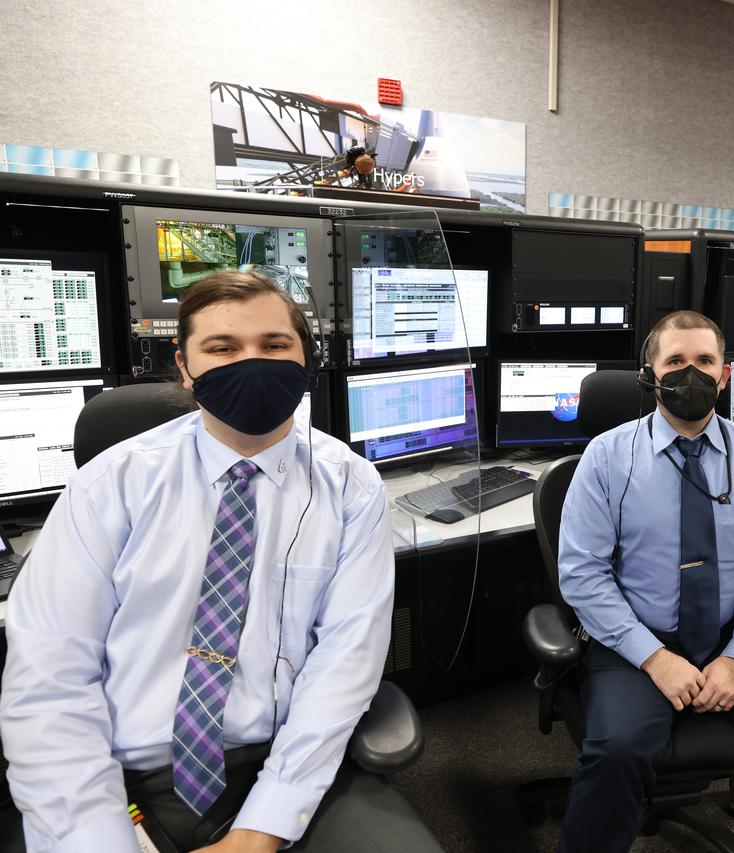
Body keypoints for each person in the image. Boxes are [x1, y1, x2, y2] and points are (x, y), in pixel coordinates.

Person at [0, 271, 440, 853]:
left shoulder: (349, 485)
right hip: (127, 777)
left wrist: (262, 828)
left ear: (306, 358)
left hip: (287, 760)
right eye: (223, 348)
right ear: (185, 366)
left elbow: (345, 663)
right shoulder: (110, 485)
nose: (251, 362)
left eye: (274, 345)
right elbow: (50, 678)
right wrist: (97, 834)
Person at [556, 310, 734, 852]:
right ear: (650, 373)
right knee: (619, 751)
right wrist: (654, 657)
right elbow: (582, 574)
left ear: (725, 374)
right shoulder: (605, 456)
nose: (689, 373)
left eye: (704, 362)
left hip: (728, 634)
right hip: (637, 640)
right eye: (675, 361)